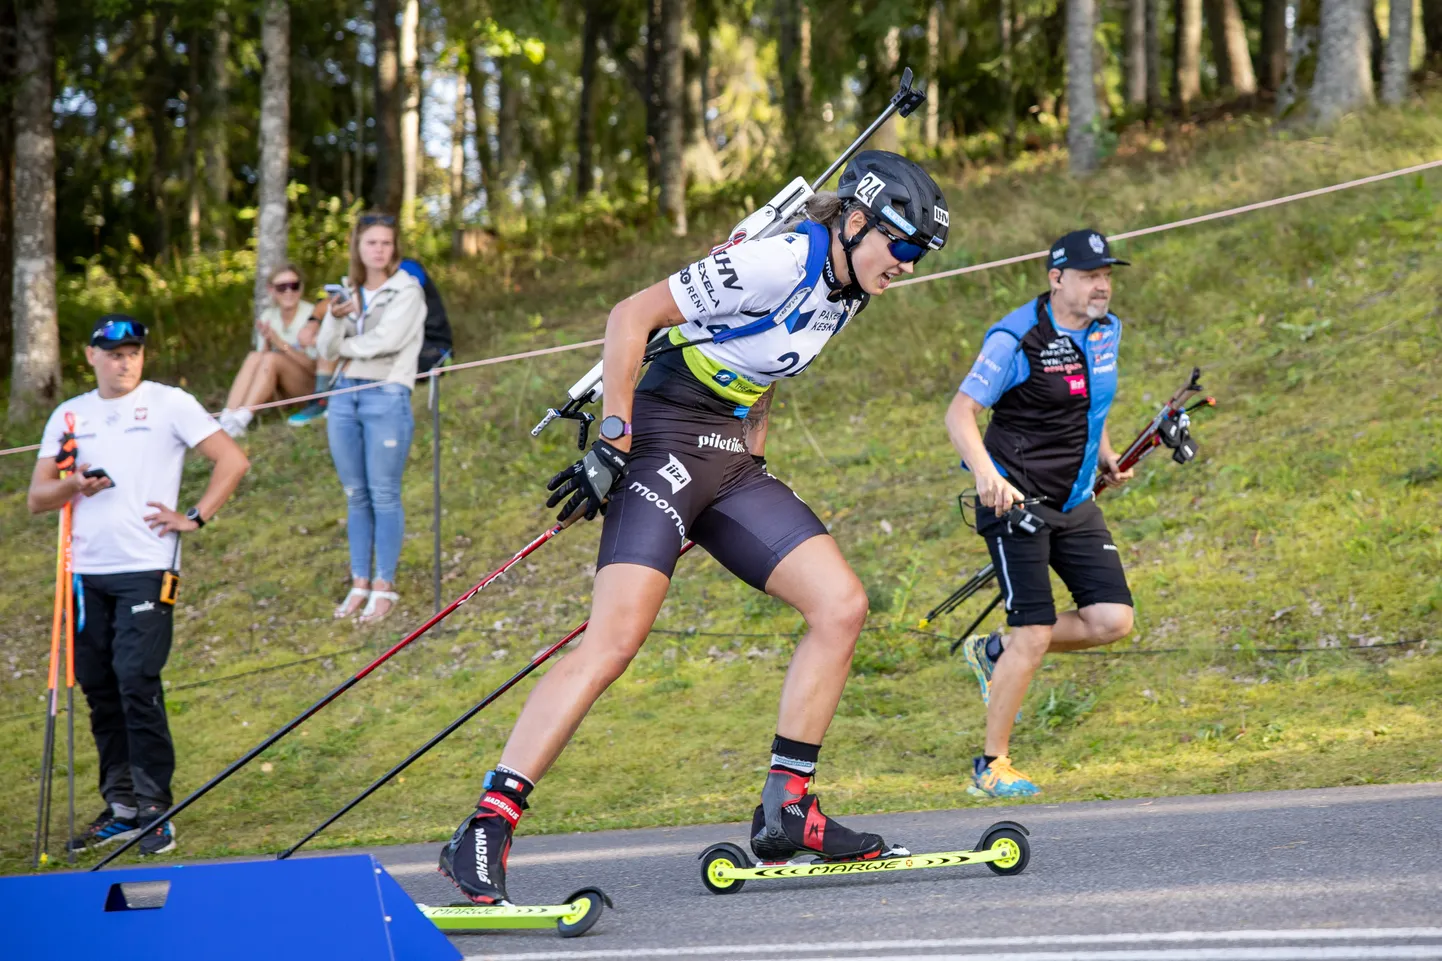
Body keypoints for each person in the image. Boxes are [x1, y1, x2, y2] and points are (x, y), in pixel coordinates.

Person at [437, 151, 950, 905]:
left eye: (920, 255)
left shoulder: (849, 290)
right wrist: (613, 440)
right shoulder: (779, 261)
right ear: (857, 221)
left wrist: (756, 461)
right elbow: (630, 317)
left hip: (729, 457)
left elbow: (764, 374)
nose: (906, 265)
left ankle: (788, 810)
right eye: (902, 246)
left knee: (840, 605)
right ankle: (484, 827)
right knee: (612, 642)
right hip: (661, 438)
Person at [27, 314, 249, 855]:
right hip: (84, 572)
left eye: (133, 352)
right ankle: (121, 806)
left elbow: (232, 460)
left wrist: (193, 516)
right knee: (101, 688)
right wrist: (75, 484)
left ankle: (155, 810)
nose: (125, 360)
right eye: (114, 352)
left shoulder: (169, 402)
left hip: (146, 565)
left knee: (136, 679)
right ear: (91, 356)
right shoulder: (70, 414)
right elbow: (38, 496)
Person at [943, 229, 1137, 799]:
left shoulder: (1108, 331)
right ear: (1056, 280)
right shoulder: (1016, 338)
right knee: (1032, 631)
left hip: (1075, 503)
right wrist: (986, 475)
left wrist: (1106, 455)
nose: (1102, 285)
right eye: (1088, 276)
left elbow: (1093, 402)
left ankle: (995, 650)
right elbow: (960, 415)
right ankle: (990, 766)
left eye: (1106, 275)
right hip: (1015, 502)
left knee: (1111, 620)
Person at [317, 211, 427, 624]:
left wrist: (346, 345)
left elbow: (387, 342)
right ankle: (359, 582)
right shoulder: (347, 292)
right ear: (358, 248)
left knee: (383, 493)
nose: (379, 249)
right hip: (344, 396)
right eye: (371, 243)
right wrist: (335, 316)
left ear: (394, 248)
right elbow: (327, 348)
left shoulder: (407, 290)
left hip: (386, 393)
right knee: (355, 494)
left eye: (385, 242)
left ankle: (384, 586)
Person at [217, 263, 319, 437]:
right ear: (272, 290)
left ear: (301, 288)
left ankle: (243, 417)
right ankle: (228, 417)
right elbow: (260, 363)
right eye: (282, 287)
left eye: (293, 286)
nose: (289, 291)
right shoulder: (268, 316)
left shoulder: (312, 315)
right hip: (279, 389)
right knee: (255, 356)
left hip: (309, 388)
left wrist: (281, 344)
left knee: (272, 358)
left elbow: (314, 368)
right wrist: (266, 341)